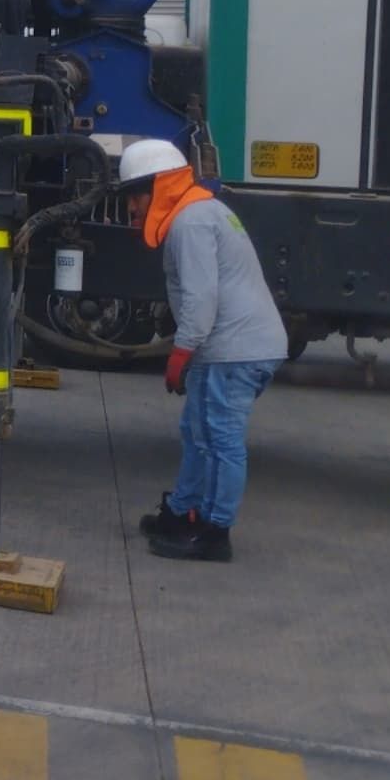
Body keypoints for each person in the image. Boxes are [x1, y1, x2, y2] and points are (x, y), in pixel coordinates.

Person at [120, 138, 287, 563]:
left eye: (134, 198)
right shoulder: (201, 211)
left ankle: (214, 531)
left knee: (219, 440)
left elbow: (201, 298)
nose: (132, 210)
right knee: (197, 432)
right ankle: (181, 512)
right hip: (227, 347)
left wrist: (181, 352)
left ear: (156, 188)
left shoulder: (191, 223)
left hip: (235, 350)